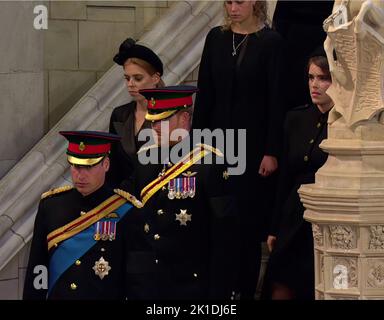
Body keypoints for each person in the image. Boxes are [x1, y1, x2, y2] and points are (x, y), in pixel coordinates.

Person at [192, 0, 285, 299]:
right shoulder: (215, 38)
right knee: (214, 221)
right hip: (217, 145)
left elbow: (276, 100)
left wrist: (271, 150)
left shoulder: (270, 42)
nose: (233, 8)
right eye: (229, 2)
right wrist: (196, 148)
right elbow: (205, 94)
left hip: (253, 146)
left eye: (240, 2)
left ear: (255, 3)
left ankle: (244, 293)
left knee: (246, 226)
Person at [122, 85, 239, 300]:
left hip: (189, 284)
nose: (155, 127)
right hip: (149, 284)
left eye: (163, 121)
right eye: (153, 120)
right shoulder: (144, 160)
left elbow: (223, 237)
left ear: (184, 120)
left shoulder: (209, 163)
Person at [23, 131, 137, 300]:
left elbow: (137, 277)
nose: (80, 175)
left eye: (89, 167)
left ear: (106, 164)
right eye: (76, 166)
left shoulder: (126, 210)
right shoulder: (51, 205)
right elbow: (38, 269)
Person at [262, 47, 334, 300]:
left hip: (327, 216)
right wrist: (274, 228)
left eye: (323, 78)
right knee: (280, 284)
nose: (315, 85)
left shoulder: (345, 124)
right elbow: (284, 180)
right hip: (293, 214)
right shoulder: (295, 118)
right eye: (311, 77)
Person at [107, 37, 164, 187]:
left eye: (138, 78)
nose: (130, 84)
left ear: (155, 78)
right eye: (127, 78)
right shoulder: (119, 115)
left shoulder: (171, 116)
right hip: (123, 199)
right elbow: (113, 166)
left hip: (157, 198)